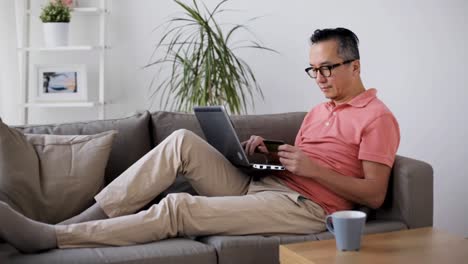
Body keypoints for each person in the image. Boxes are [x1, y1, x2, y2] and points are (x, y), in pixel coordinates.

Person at [0, 27, 400, 253]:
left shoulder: (377, 118)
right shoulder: (318, 111)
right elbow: (308, 157)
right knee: (180, 142)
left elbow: (375, 195)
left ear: (355, 65)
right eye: (313, 70)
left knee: (178, 207)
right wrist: (265, 151)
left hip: (306, 208)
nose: (321, 78)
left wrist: (313, 169)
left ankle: (53, 236)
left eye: (327, 68)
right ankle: (77, 221)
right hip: (265, 184)